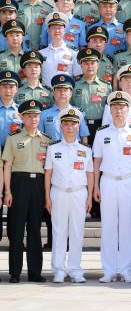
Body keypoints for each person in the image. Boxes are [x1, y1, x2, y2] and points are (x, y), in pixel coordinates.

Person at [92, 91, 131, 283]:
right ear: (110, 109)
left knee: (127, 226)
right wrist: (96, 187)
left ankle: (126, 270)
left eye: (122, 107)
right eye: (114, 107)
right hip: (107, 181)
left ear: (128, 109)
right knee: (108, 226)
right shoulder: (102, 133)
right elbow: (96, 161)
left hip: (129, 181)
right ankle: (108, 270)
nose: (118, 111)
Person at [2, 99, 51, 282]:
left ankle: (35, 272)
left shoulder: (46, 140)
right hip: (18, 184)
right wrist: (7, 191)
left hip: (38, 185)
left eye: (36, 115)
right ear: (22, 117)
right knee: (15, 230)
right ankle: (15, 273)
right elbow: (7, 166)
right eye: (29, 115)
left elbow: (49, 169)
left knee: (35, 230)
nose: (33, 119)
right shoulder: (13, 139)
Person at [43, 108, 93, 283]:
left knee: (77, 232)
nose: (69, 127)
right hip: (58, 192)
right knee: (58, 232)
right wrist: (47, 197)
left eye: (73, 124)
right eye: (66, 124)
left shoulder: (86, 149)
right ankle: (58, 270)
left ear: (78, 126)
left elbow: (90, 174)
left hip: (79, 193)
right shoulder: (53, 148)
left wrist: (89, 198)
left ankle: (75, 269)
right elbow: (48, 174)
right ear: (61, 126)